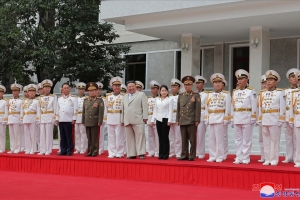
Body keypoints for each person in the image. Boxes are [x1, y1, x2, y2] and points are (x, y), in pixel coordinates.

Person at [258, 70, 285, 166]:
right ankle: (267, 158)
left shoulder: (280, 92)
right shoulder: (262, 93)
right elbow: (261, 107)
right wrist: (259, 119)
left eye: (271, 80)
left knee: (274, 140)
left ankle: (274, 159)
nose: (268, 82)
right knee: (266, 140)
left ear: (276, 82)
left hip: (274, 118)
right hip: (265, 118)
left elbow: (283, 107)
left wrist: (281, 119)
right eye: (267, 80)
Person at [231, 69, 257, 164]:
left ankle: (246, 157)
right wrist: (232, 118)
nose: (240, 81)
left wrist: (253, 117)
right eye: (238, 79)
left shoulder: (251, 91)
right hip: (237, 117)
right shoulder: (235, 92)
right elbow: (232, 105)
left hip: (246, 117)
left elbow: (254, 105)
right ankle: (239, 157)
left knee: (246, 139)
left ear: (247, 80)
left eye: (242, 79)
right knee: (238, 140)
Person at [205, 73, 231, 163]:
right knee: (211, 139)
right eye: (215, 82)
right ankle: (212, 155)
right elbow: (206, 107)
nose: (217, 84)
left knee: (220, 139)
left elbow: (228, 108)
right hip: (211, 117)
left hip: (220, 118)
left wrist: (226, 119)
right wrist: (206, 118)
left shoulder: (226, 94)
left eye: (219, 82)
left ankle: (220, 155)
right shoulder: (209, 94)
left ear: (222, 83)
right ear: (213, 84)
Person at [121, 80, 148, 159]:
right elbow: (123, 109)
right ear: (127, 88)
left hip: (138, 119)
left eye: (132, 86)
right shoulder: (125, 96)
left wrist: (145, 117)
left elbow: (145, 106)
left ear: (135, 87)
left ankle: (141, 153)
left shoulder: (141, 94)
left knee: (140, 136)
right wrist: (122, 120)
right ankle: (131, 153)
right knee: (129, 138)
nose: (131, 88)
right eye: (129, 87)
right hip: (127, 120)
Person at [176, 76, 201, 161]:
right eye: (186, 85)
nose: (187, 86)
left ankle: (192, 155)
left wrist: (197, 120)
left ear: (192, 85)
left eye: (189, 85)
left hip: (191, 120)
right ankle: (184, 155)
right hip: (183, 119)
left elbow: (198, 108)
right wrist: (177, 120)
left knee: (192, 139)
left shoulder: (196, 95)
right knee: (183, 139)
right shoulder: (181, 95)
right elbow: (178, 109)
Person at [82, 82, 104, 157]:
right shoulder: (86, 100)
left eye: (93, 91)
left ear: (96, 91)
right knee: (89, 137)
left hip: (94, 121)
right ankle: (89, 150)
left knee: (94, 137)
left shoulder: (99, 100)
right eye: (90, 91)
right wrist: (83, 120)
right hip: (87, 121)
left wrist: (100, 121)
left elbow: (101, 112)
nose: (91, 92)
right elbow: (84, 112)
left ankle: (95, 151)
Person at [150, 85, 173, 159]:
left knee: (165, 137)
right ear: (160, 92)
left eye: (165, 91)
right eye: (162, 91)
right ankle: (161, 154)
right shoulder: (157, 100)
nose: (164, 92)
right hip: (158, 119)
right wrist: (152, 120)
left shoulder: (169, 100)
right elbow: (155, 111)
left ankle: (165, 154)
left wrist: (170, 120)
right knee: (160, 137)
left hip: (166, 119)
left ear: (167, 91)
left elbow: (170, 111)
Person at [282, 68, 299, 163]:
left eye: (296, 77)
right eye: (292, 77)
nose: (294, 79)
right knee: (288, 138)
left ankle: (297, 157)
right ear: (289, 79)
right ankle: (289, 156)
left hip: (296, 117)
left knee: (297, 138)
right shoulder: (285, 91)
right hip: (287, 116)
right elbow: (283, 105)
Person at [56, 83, 78, 156]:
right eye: (65, 88)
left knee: (69, 136)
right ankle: (63, 150)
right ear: (62, 89)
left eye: (67, 88)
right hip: (61, 119)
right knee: (62, 136)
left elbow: (75, 109)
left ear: (69, 89)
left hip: (69, 120)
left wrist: (74, 119)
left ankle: (69, 150)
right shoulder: (59, 99)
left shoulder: (73, 98)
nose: (66, 89)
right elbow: (57, 109)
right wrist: (57, 119)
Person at [106, 77, 125, 158]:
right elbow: (106, 109)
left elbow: (125, 109)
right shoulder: (108, 96)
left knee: (119, 137)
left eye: (118, 86)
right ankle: (112, 152)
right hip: (110, 118)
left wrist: (124, 119)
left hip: (119, 118)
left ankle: (120, 152)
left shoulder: (123, 96)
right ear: (112, 87)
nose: (117, 87)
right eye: (115, 86)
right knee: (111, 137)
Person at [38, 79, 57, 156]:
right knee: (42, 134)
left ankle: (48, 150)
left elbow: (55, 108)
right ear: (43, 89)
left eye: (48, 88)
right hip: (42, 117)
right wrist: (38, 118)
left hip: (50, 117)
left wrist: (55, 118)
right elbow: (39, 109)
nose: (46, 89)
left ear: (50, 88)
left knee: (48, 134)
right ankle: (42, 149)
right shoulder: (40, 98)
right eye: (45, 88)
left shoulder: (53, 97)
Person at [21, 84, 40, 154]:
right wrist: (21, 118)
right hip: (26, 118)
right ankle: (28, 148)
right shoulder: (25, 101)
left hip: (33, 118)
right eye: (30, 91)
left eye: (33, 91)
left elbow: (38, 111)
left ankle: (33, 148)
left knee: (33, 135)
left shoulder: (37, 101)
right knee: (26, 135)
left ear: (35, 93)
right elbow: (22, 110)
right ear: (28, 92)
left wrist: (38, 119)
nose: (31, 93)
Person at [194, 75, 208, 159]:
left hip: (202, 116)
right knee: (194, 135)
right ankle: (195, 152)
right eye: (196, 83)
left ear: (203, 84)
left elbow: (207, 106)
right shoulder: (194, 94)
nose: (197, 85)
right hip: (194, 116)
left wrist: (206, 118)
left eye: (199, 83)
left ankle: (201, 152)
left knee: (201, 135)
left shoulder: (206, 94)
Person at [288, 71, 300, 167]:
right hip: (297, 118)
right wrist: (291, 120)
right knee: (297, 140)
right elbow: (291, 108)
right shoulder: (295, 94)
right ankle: (298, 160)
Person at [169, 78, 183, 158]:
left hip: (178, 119)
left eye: (174, 87)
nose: (172, 88)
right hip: (171, 119)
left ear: (178, 88)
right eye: (172, 87)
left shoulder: (181, 97)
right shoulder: (169, 97)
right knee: (171, 137)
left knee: (178, 137)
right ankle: (172, 151)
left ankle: (178, 152)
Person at [7, 82, 23, 154]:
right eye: (13, 91)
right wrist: (7, 119)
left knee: (17, 134)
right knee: (12, 134)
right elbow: (7, 110)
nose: (14, 92)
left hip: (17, 118)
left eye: (16, 91)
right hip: (11, 118)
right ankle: (12, 148)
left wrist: (21, 119)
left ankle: (18, 148)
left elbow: (22, 111)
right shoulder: (9, 100)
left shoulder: (21, 101)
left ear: (19, 92)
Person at [147, 80, 160, 157]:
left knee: (157, 136)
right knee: (150, 136)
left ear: (158, 89)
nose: (152, 90)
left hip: (156, 119)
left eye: (154, 88)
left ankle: (157, 151)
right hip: (149, 118)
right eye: (151, 89)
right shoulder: (148, 99)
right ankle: (151, 151)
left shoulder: (160, 99)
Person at [74, 82, 88, 154]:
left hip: (83, 117)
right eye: (79, 89)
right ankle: (77, 148)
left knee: (83, 133)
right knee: (77, 133)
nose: (81, 91)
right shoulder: (75, 98)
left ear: (84, 90)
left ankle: (83, 148)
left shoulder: (87, 98)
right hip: (76, 117)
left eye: (82, 89)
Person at [257, 75, 267, 162]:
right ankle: (263, 156)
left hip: (270, 119)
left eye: (266, 83)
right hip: (261, 119)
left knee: (269, 139)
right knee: (261, 139)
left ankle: (269, 156)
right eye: (263, 83)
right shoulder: (259, 95)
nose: (264, 85)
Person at [96, 82, 106, 155]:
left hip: (101, 119)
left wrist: (104, 119)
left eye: (100, 89)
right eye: (97, 89)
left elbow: (105, 110)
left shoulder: (104, 99)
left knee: (101, 135)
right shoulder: (91, 99)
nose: (98, 91)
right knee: (93, 135)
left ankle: (100, 149)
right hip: (93, 120)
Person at [0, 85, 8, 153]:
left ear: (3, 93)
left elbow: (6, 111)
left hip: (2, 118)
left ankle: (2, 148)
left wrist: (5, 120)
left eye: (1, 92)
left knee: (2, 134)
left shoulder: (5, 101)